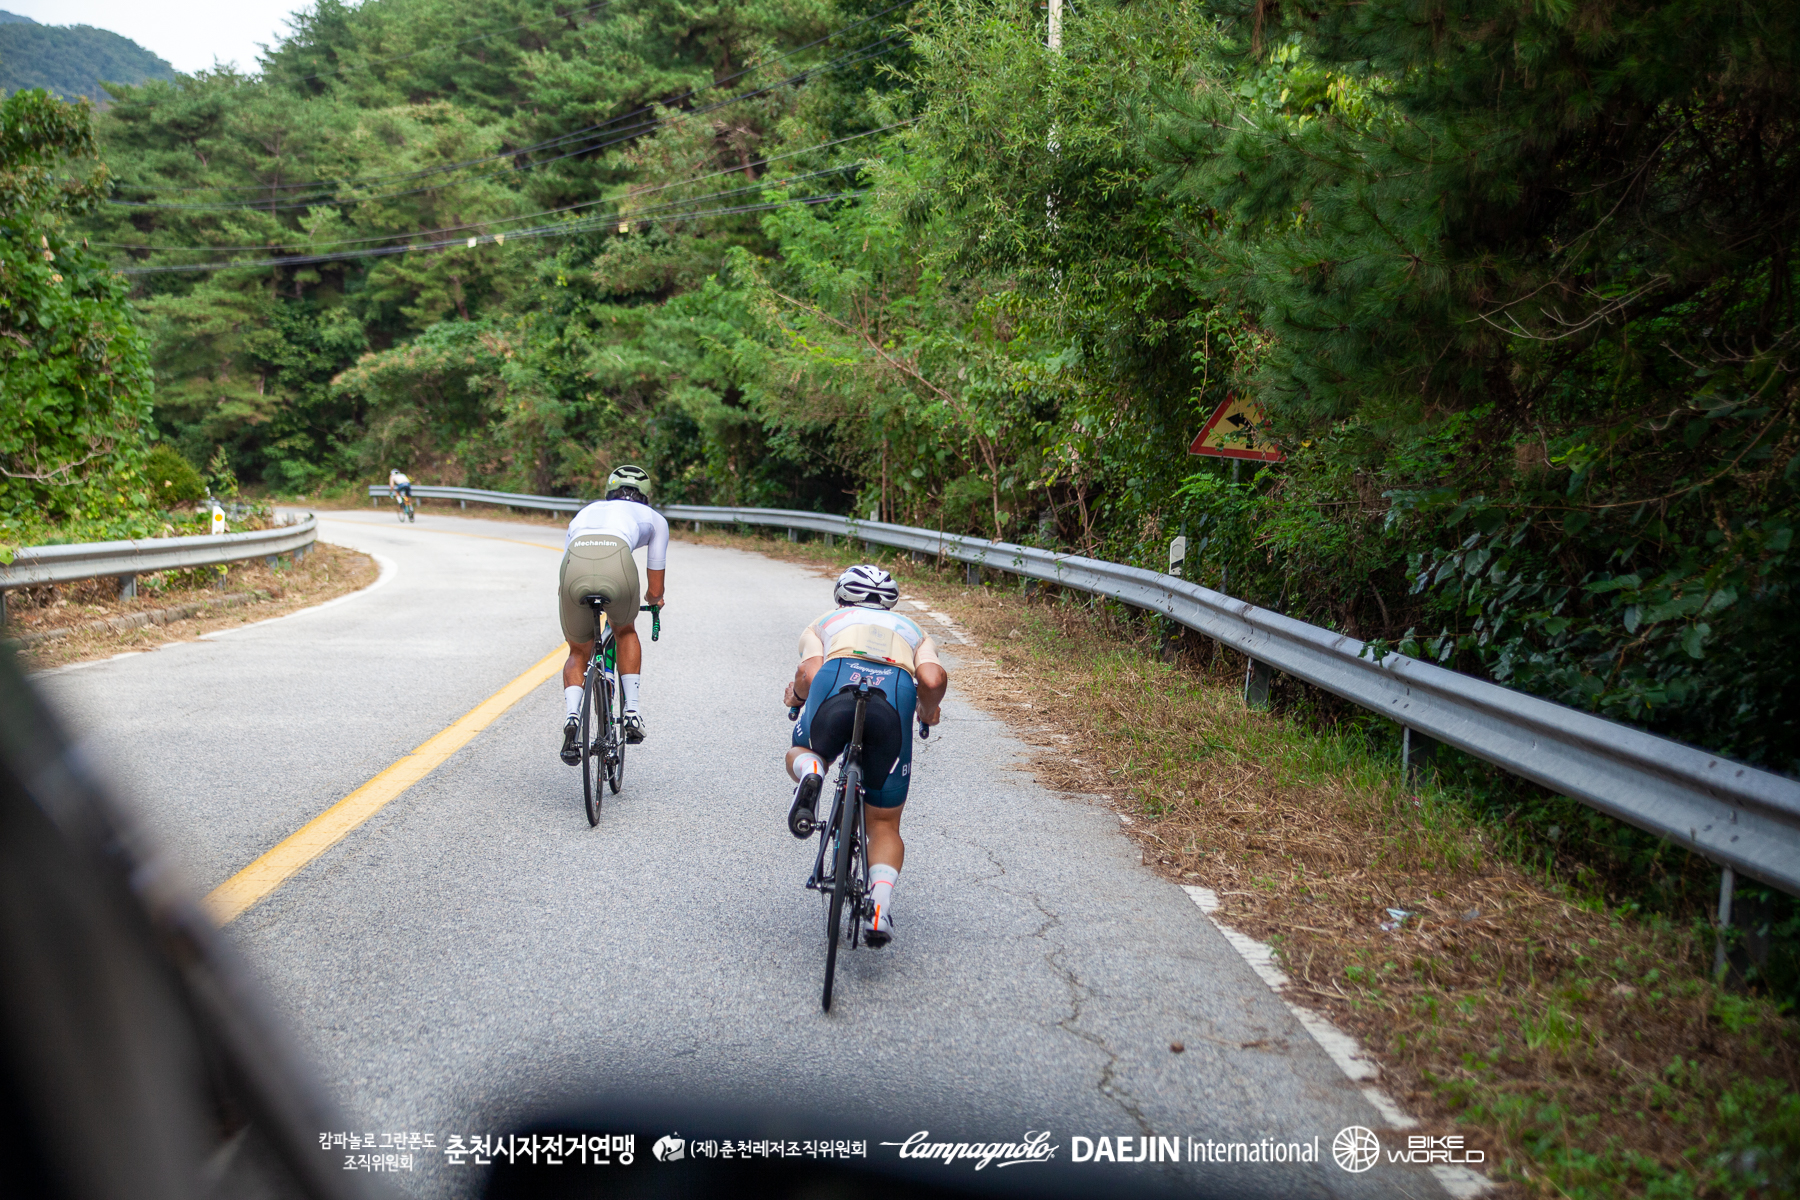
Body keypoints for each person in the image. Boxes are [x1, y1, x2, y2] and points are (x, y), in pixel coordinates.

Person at [782, 564, 948, 948]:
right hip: (894, 695)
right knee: (884, 822)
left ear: (841, 597)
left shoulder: (825, 622)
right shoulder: (914, 630)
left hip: (837, 681)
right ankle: (879, 907)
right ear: (891, 603)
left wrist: (797, 698)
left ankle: (812, 771)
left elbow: (810, 673)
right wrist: (926, 713)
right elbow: (933, 680)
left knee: (803, 751)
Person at [557, 466, 668, 764]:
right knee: (625, 630)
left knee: (577, 651)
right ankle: (631, 711)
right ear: (645, 495)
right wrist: (653, 600)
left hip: (574, 569)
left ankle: (572, 716)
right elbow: (655, 589)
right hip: (617, 567)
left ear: (609, 491)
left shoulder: (585, 513)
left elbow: (565, 569)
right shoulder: (655, 519)